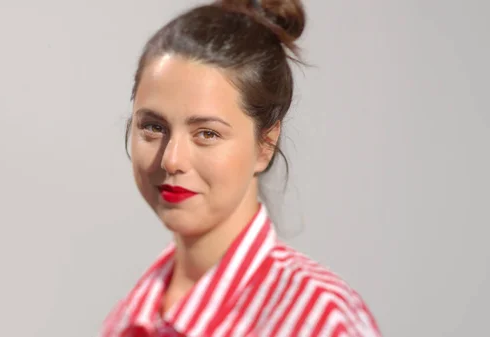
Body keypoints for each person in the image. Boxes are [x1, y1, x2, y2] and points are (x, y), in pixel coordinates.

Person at [100, 0, 382, 336]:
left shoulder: (317, 320)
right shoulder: (130, 318)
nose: (171, 159)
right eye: (154, 127)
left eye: (207, 133)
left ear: (265, 144)